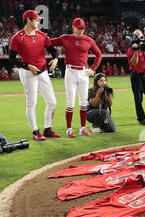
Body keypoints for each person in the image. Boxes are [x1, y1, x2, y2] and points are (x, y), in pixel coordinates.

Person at [9, 10, 60, 141]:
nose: (38, 22)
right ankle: (35, 132)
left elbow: (53, 51)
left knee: (52, 102)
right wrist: (27, 66)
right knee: (32, 103)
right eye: (36, 20)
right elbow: (11, 59)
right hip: (27, 73)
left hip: (42, 72)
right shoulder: (17, 37)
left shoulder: (42, 36)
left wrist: (55, 59)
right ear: (29, 20)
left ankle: (47, 129)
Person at [50, 17, 102, 138]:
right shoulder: (65, 38)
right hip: (70, 72)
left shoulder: (88, 40)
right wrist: (37, 35)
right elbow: (50, 42)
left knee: (84, 102)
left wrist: (93, 69)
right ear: (73, 27)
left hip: (83, 72)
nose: (81, 30)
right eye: (79, 28)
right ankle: (69, 129)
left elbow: (99, 54)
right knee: (70, 102)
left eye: (83, 28)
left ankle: (82, 128)